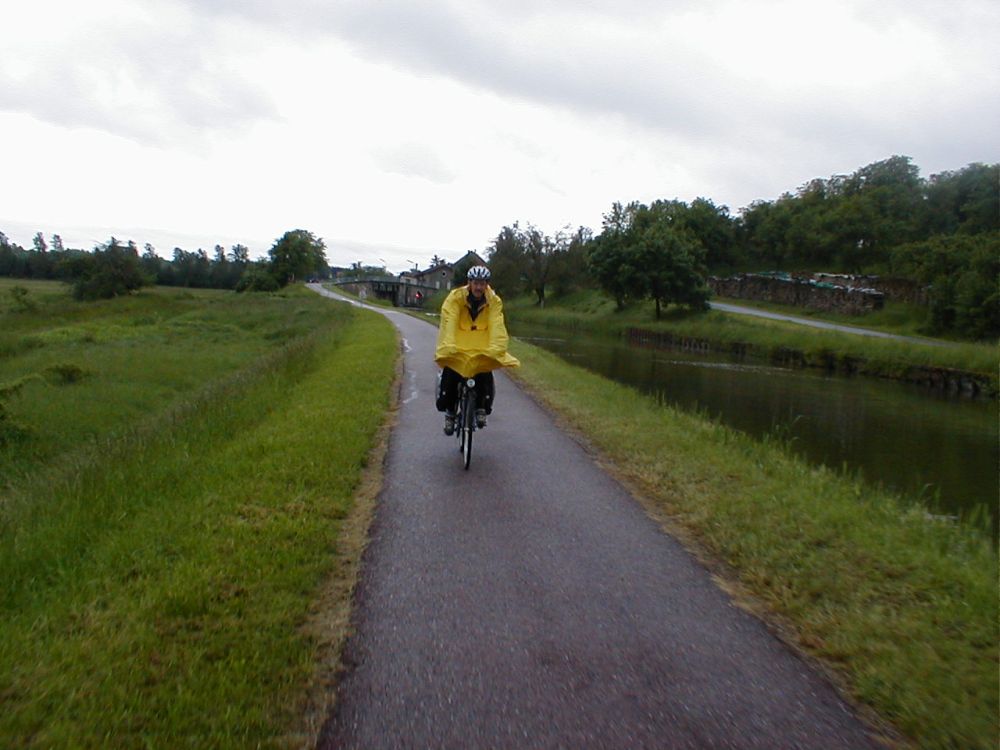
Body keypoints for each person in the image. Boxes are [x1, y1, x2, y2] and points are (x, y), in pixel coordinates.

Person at [434, 264, 520, 435]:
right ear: (469, 283)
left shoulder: (493, 301)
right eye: (476, 283)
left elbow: (496, 324)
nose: (479, 287)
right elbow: (450, 320)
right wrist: (449, 345)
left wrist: (496, 348)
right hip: (458, 344)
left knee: (484, 371)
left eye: (482, 283)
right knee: (450, 374)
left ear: (487, 284)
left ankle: (481, 407)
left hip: (481, 345)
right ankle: (450, 413)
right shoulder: (455, 298)